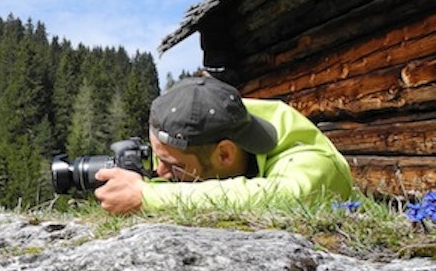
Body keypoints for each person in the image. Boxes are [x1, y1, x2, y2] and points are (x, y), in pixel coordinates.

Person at [94, 75, 354, 215]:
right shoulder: (208, 131)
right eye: (157, 158)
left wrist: (147, 197)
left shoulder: (311, 159)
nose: (160, 173)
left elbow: (288, 198)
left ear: (225, 154)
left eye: (174, 166)